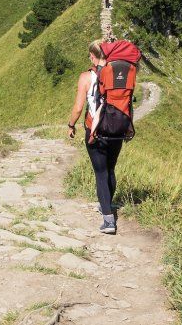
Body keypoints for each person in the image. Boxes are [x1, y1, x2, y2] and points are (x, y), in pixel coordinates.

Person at [67, 40, 122, 234]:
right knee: (111, 168)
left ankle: (108, 220)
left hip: (96, 129)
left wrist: (71, 125)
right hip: (117, 129)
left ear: (92, 55)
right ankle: (107, 203)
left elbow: (78, 108)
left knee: (100, 173)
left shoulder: (86, 77)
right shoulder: (118, 73)